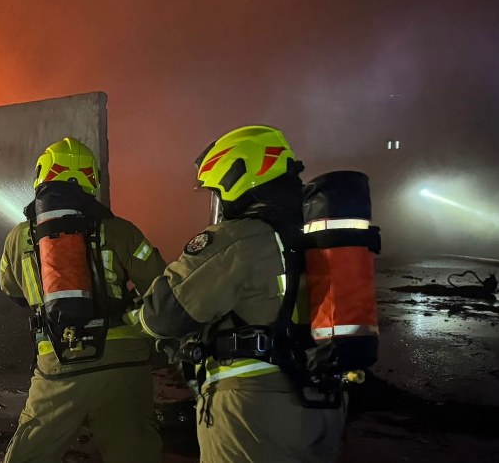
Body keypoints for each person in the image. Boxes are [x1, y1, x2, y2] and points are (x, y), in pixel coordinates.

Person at [137, 125, 345, 463]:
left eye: (217, 191)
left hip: (254, 412)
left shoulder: (239, 239)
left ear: (236, 180)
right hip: (322, 402)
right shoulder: (318, 236)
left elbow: (162, 315)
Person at [0, 137, 166, 463]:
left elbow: (11, 290)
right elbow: (160, 286)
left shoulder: (19, 237)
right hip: (123, 365)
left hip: (59, 362)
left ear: (43, 176)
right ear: (92, 180)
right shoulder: (121, 230)